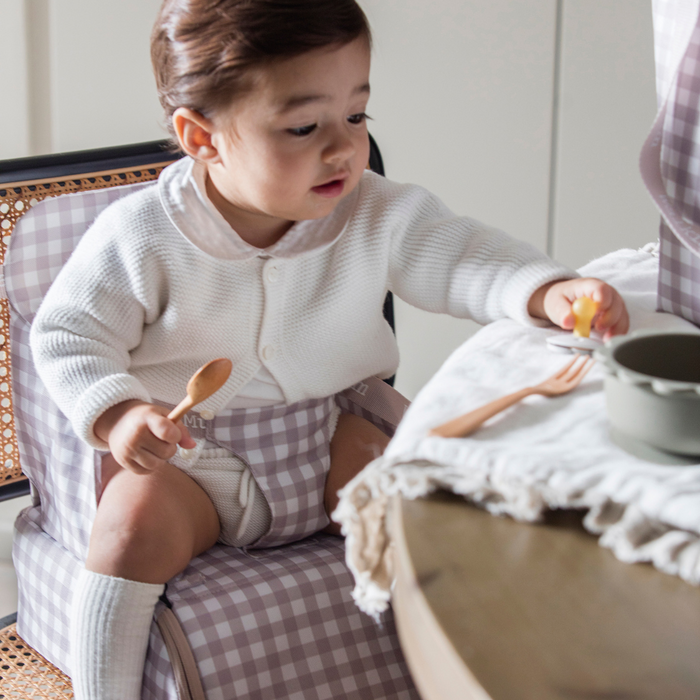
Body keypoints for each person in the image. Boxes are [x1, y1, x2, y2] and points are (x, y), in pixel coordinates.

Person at [29, 0, 629, 698]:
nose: (343, 147)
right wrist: (119, 414)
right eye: (305, 126)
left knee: (432, 503)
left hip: (331, 430)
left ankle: (467, 674)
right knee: (131, 525)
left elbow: (463, 258)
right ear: (203, 137)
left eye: (357, 115)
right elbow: (69, 334)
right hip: (196, 455)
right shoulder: (141, 236)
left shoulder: (374, 210)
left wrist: (545, 291)